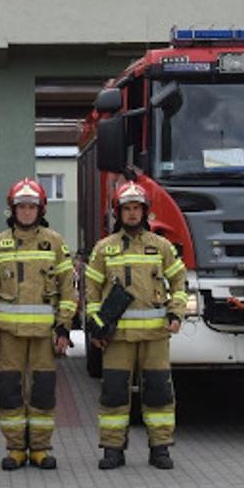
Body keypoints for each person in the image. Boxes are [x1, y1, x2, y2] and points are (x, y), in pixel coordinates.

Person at [83, 181, 188, 470]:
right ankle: (113, 450)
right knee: (114, 394)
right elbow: (91, 291)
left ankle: (160, 449)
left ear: (145, 212)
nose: (132, 213)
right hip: (117, 338)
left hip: (155, 336)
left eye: (136, 208)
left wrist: (176, 313)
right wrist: (95, 326)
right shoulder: (104, 249)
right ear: (118, 213)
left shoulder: (161, 246)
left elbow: (179, 281)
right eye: (127, 208)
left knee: (158, 393)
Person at [0, 178, 76, 471]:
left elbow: (68, 289)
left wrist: (64, 327)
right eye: (21, 206)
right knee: (10, 391)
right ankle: (15, 449)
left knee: (43, 392)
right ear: (13, 209)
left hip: (44, 337)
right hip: (9, 335)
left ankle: (40, 448)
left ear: (40, 209)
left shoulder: (55, 242)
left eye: (31, 207)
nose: (25, 211)